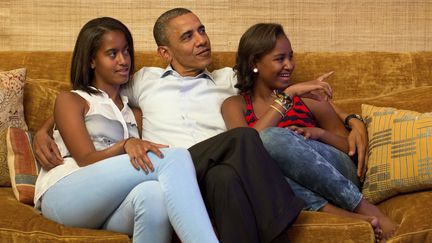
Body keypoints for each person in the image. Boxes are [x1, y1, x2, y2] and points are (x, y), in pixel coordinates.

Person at [33, 8, 368, 243]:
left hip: (213, 171)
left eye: (202, 30)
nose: (202, 40)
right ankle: (286, 220)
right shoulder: (142, 79)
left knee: (232, 163)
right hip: (172, 168)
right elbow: (88, 98)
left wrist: (351, 119)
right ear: (165, 51)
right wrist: (44, 130)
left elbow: (280, 78)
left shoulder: (229, 79)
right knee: (240, 140)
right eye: (188, 36)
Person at [34, 17, 220, 243]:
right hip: (66, 193)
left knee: (154, 196)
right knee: (175, 157)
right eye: (112, 54)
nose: (123, 61)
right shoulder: (73, 100)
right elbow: (85, 159)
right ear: (92, 60)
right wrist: (125, 145)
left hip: (109, 204)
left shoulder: (135, 113)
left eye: (126, 52)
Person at [221, 22, 399, 240]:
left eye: (291, 57)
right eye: (279, 59)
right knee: (258, 167)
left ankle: (362, 206)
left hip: (336, 174)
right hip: (285, 185)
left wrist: (319, 133)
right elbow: (244, 148)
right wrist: (287, 98)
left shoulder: (309, 98)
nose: (289, 65)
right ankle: (344, 216)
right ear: (254, 63)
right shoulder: (234, 104)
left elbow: (349, 149)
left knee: (271, 138)